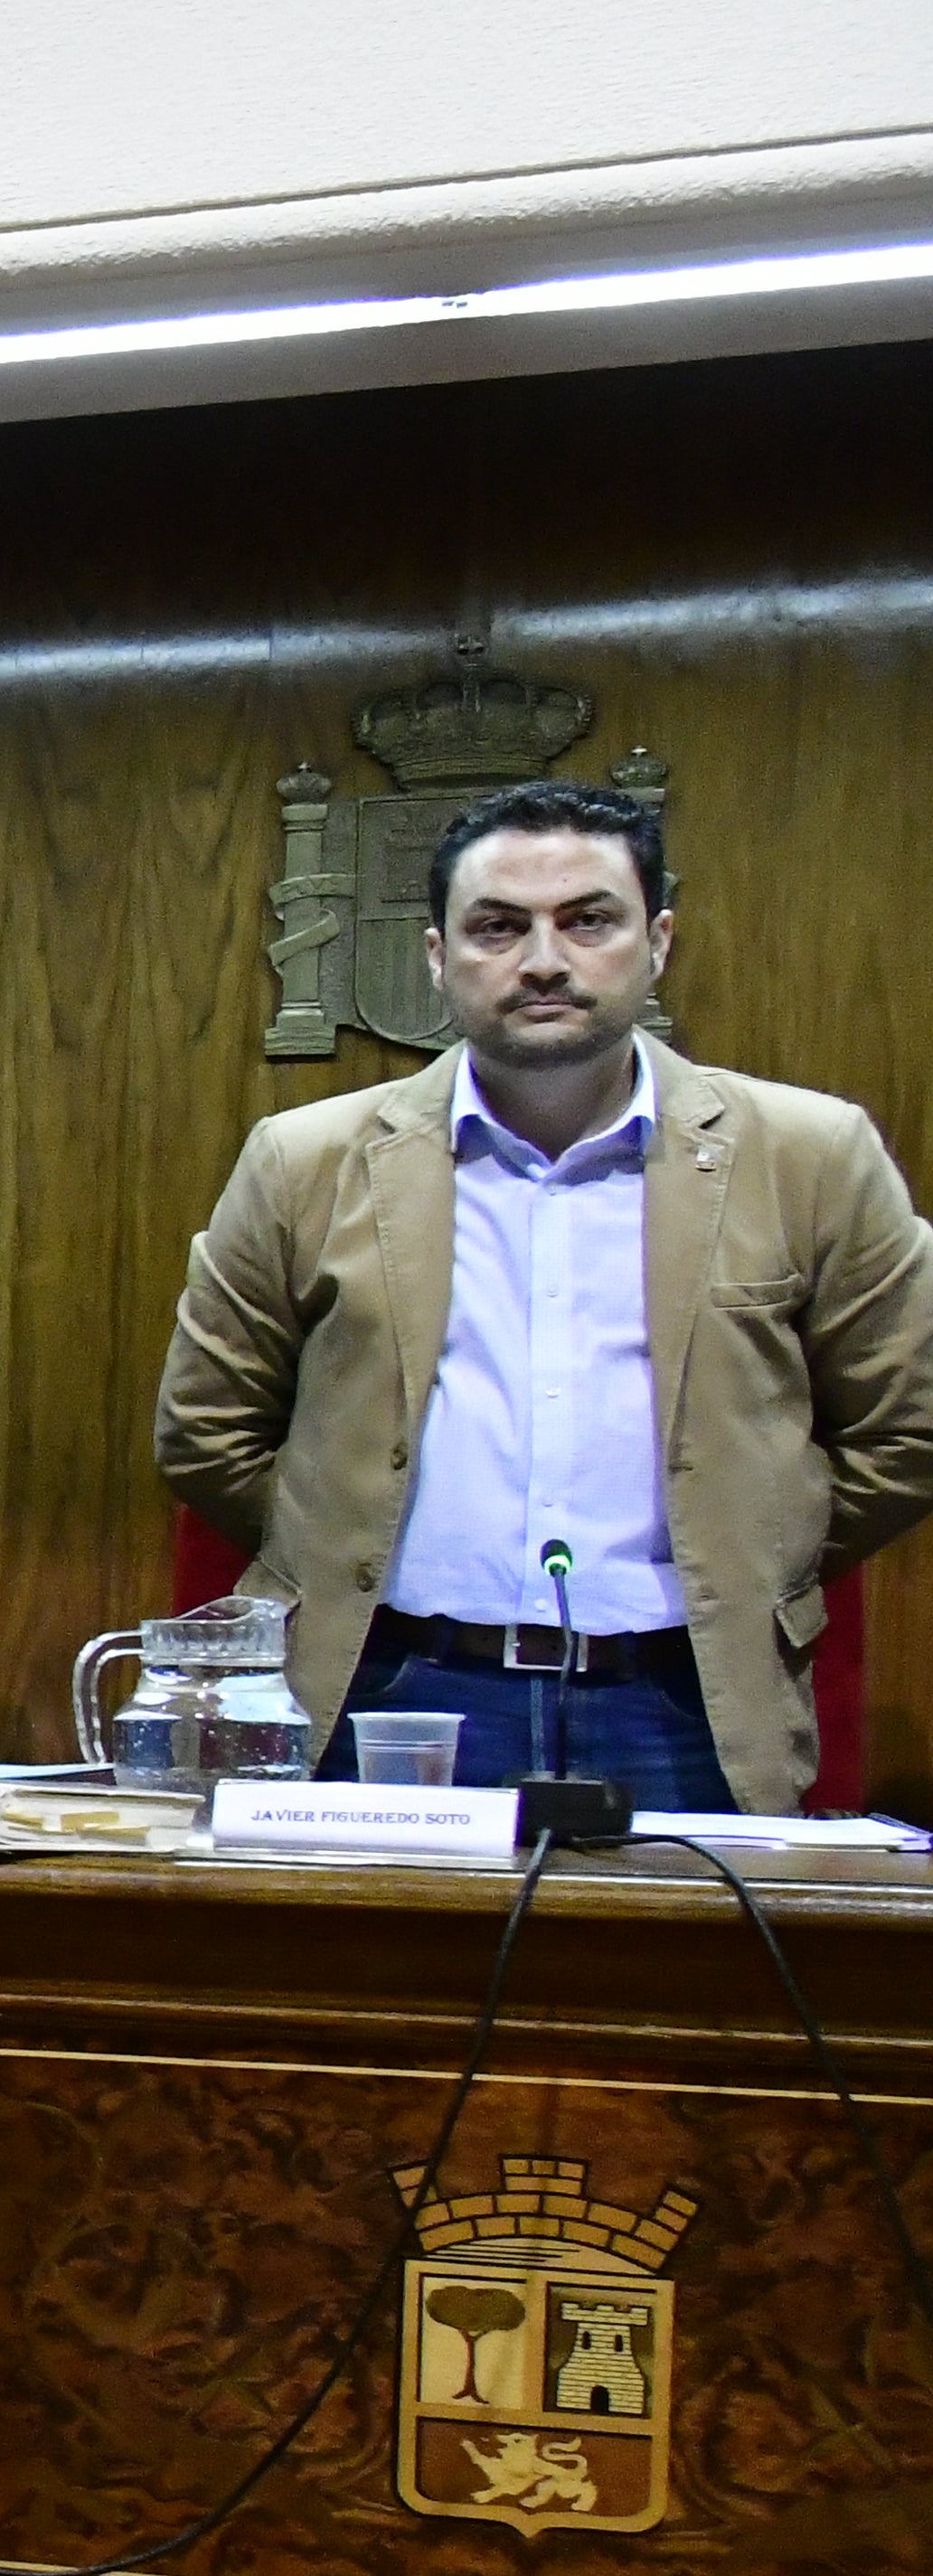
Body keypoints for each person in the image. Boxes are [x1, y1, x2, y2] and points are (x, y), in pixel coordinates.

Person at [156, 777, 933, 1818]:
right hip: (389, 1686)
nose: (543, 959)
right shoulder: (306, 1159)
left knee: (664, 1983)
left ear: (657, 940)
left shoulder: (808, 1154)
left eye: (588, 919)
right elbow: (208, 1428)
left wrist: (750, 1549)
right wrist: (348, 1541)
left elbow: (908, 1427)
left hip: (682, 1697)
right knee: (377, 1982)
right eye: (496, 926)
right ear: (437, 956)